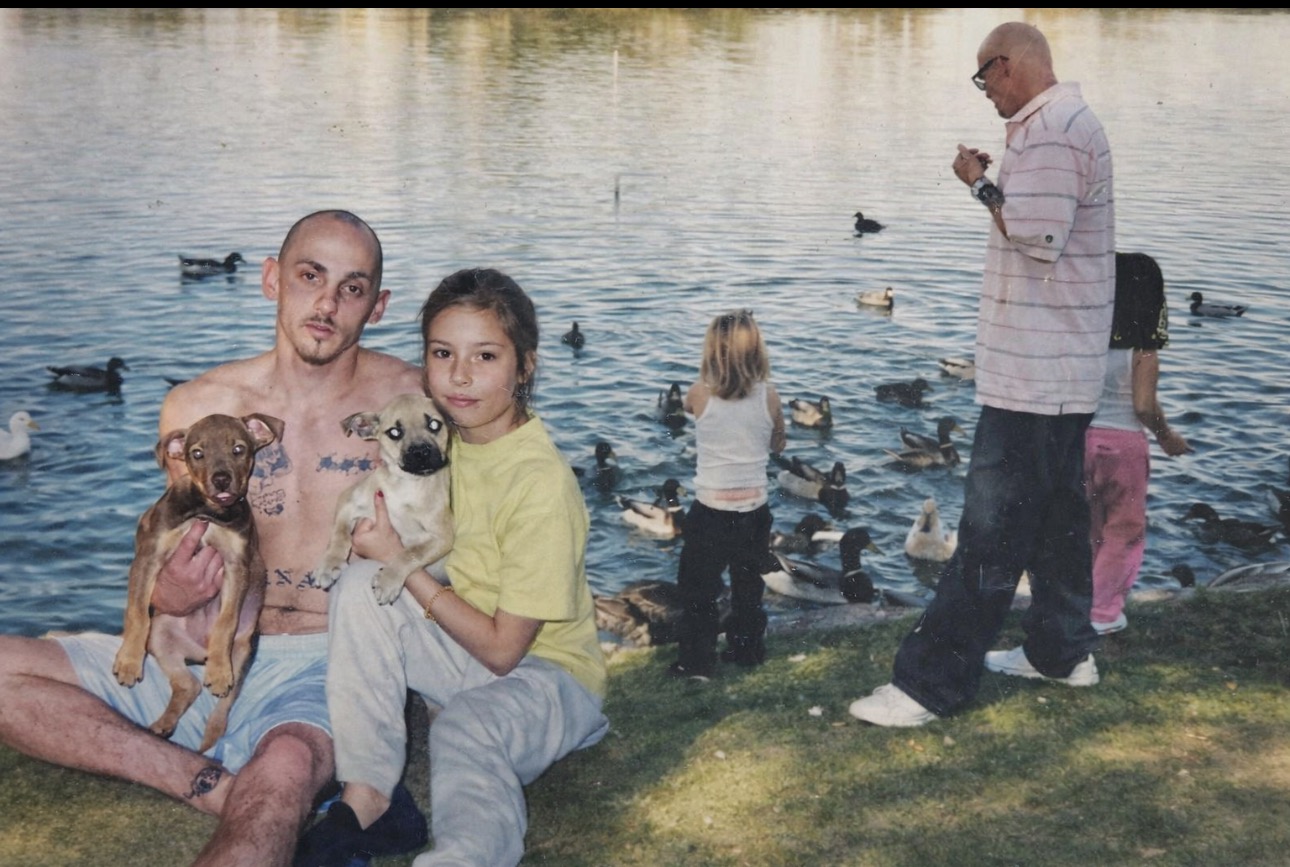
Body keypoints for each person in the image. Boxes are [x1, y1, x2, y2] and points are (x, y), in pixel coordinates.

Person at [0, 210, 425, 865]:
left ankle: (273, 779)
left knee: (285, 765)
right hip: (200, 649)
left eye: (352, 287)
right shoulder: (197, 406)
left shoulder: (413, 401)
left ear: (378, 305)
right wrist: (167, 595)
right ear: (271, 279)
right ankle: (207, 782)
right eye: (310, 276)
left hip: (328, 662)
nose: (326, 303)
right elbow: (164, 562)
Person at [294, 268, 609, 867]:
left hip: (544, 672)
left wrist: (401, 564)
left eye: (485, 356)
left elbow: (504, 652)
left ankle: (464, 856)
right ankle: (369, 795)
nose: (460, 375)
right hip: (466, 650)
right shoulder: (441, 440)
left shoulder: (539, 484)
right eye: (443, 354)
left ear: (525, 367)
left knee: (464, 727)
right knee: (359, 585)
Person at [848, 21, 1116, 727]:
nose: (984, 90)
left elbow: (1038, 235)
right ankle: (1061, 653)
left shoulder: (1052, 131)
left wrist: (979, 183)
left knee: (991, 529)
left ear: (1010, 64)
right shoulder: (1059, 125)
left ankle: (929, 685)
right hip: (1061, 367)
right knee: (1057, 523)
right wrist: (999, 179)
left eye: (984, 76)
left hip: (1036, 373)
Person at [668, 309, 787, 679]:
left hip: (711, 512)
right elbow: (778, 445)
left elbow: (687, 412)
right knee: (748, 587)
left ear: (711, 352)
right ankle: (746, 650)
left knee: (699, 591)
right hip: (754, 512)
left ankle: (697, 661)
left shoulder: (698, 393)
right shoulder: (770, 396)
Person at [1086, 252, 1191, 635]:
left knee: (1091, 528)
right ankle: (1102, 613)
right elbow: (1144, 406)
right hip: (1124, 446)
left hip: (1082, 441)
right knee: (1124, 530)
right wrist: (1167, 436)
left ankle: (1080, 602)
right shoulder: (1143, 350)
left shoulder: (1086, 341)